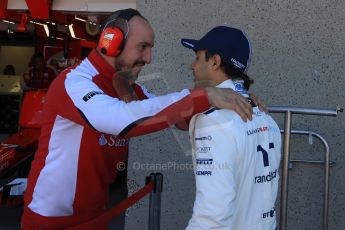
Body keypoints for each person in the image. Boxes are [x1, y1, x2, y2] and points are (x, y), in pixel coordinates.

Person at [21, 9, 265, 229]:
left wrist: (234, 99)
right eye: (143, 47)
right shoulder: (73, 82)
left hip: (95, 217)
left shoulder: (130, 89)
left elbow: (179, 119)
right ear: (111, 42)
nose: (149, 58)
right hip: (50, 222)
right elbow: (119, 119)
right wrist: (205, 95)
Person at [182, 26, 281, 230]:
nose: (192, 66)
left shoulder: (212, 121)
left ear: (215, 61)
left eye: (198, 57)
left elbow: (213, 212)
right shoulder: (266, 117)